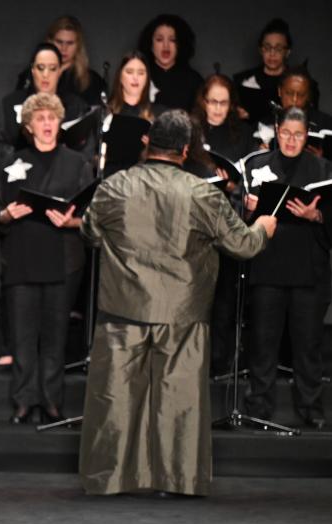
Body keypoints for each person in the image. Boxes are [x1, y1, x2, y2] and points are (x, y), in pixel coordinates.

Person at [78, 110, 276, 497]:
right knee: (178, 396)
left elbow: (90, 233)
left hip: (123, 307)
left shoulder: (115, 186)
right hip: (182, 311)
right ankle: (178, 480)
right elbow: (243, 245)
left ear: (148, 142)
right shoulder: (202, 193)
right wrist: (263, 228)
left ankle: (110, 477)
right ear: (185, 150)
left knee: (116, 396)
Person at [0, 93, 94, 423]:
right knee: (22, 335)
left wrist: (72, 222)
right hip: (21, 257)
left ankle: (51, 401)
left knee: (54, 336)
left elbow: (93, 214)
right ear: (29, 126)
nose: (47, 123)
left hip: (63, 261)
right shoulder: (13, 162)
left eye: (52, 117)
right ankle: (24, 400)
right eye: (40, 118)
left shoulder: (77, 163)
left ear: (60, 123)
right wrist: (6, 214)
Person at [243, 107, 332, 429]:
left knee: (308, 344)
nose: (291, 140)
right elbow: (239, 219)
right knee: (263, 342)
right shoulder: (257, 165)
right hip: (267, 265)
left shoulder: (323, 169)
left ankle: (310, 406)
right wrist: (248, 209)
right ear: (276, 131)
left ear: (307, 136)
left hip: (308, 270)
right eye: (285, 133)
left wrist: (316, 216)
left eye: (298, 134)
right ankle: (259, 404)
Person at [190, 74, 258, 373]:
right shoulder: (191, 130)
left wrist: (232, 185)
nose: (217, 108)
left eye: (223, 103)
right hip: (194, 222)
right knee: (194, 293)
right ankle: (192, 359)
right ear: (203, 102)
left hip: (227, 220)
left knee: (224, 296)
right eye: (212, 102)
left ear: (231, 105)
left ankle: (219, 361)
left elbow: (250, 179)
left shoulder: (241, 134)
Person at [0, 43, 89, 178]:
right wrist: (21, 165)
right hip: (20, 180)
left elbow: (87, 153)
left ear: (59, 71)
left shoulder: (76, 107)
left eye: (52, 68)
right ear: (33, 70)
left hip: (67, 181)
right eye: (40, 68)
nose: (46, 74)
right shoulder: (10, 105)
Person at [101, 52, 161, 177]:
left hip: (143, 178)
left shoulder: (157, 115)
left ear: (147, 78)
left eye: (141, 73)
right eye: (129, 72)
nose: (135, 78)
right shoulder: (105, 112)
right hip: (110, 178)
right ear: (120, 76)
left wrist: (153, 149)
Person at [137, 14, 203, 111]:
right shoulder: (138, 76)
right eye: (159, 40)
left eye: (172, 40)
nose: (166, 46)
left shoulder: (194, 81)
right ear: (150, 44)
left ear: (180, 44)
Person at [234, 19, 294, 125]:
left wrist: (252, 114)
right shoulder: (243, 81)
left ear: (287, 52)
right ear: (260, 50)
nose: (272, 53)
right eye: (267, 47)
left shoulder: (298, 83)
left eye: (278, 48)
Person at [44, 16, 107, 106]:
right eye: (59, 42)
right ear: (50, 41)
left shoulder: (93, 81)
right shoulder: (32, 75)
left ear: (78, 45)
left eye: (70, 43)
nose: (64, 48)